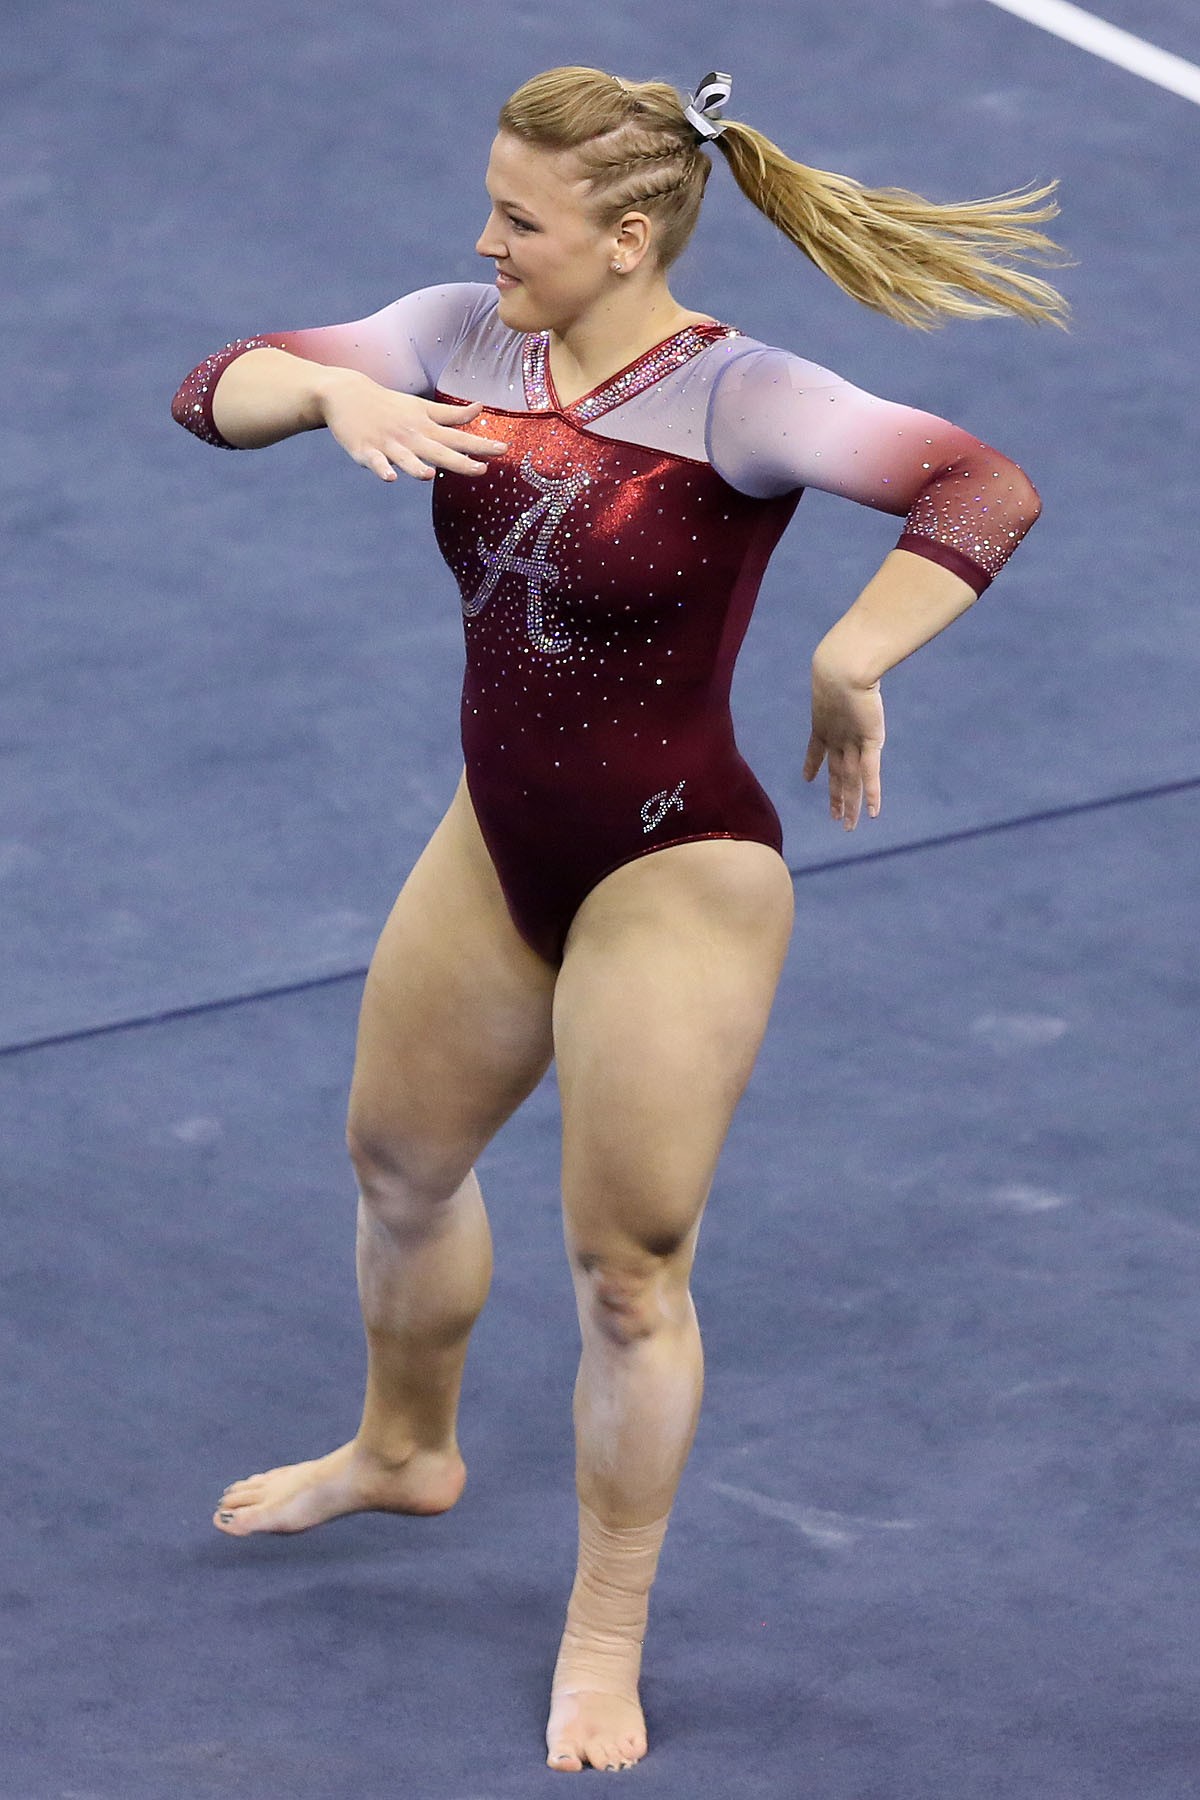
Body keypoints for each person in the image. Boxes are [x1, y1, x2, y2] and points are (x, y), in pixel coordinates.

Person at [171, 66, 1070, 1774]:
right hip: (498, 836)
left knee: (630, 1277)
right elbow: (211, 389)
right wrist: (329, 392)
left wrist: (851, 656)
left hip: (677, 865)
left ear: (630, 235)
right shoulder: (455, 335)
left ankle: (603, 1625)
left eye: (520, 219)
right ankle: (404, 1449)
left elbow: (979, 485)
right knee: (396, 1166)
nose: (485, 242)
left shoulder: (742, 395)